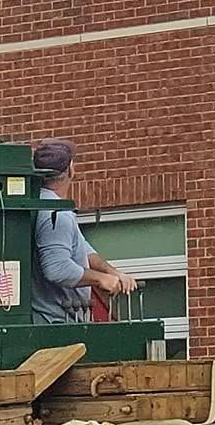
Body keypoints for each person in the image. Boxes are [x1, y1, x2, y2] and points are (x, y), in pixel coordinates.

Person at [30, 138, 139, 324]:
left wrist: (113, 273)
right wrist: (100, 280)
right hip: (56, 321)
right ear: (71, 168)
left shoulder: (42, 203)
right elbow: (57, 269)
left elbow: (82, 248)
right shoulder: (57, 213)